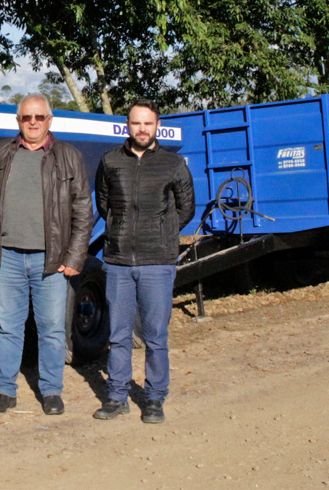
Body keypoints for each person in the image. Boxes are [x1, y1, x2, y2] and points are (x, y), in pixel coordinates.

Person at [0, 94, 92, 416]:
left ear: (49, 120)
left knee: (52, 329)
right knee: (8, 328)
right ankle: (4, 390)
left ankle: (51, 391)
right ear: (18, 121)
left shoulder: (68, 156)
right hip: (10, 258)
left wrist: (73, 258)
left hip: (51, 261)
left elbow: (83, 211)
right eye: (26, 117)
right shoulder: (1, 153)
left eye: (39, 117)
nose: (33, 122)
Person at [92, 99, 194, 424]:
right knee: (118, 334)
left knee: (155, 336)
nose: (142, 129)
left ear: (157, 126)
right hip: (119, 261)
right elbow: (105, 203)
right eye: (136, 123)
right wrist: (120, 231)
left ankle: (153, 398)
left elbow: (186, 208)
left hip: (157, 262)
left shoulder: (173, 164)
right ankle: (117, 396)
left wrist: (161, 232)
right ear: (128, 125)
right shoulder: (110, 161)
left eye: (147, 123)